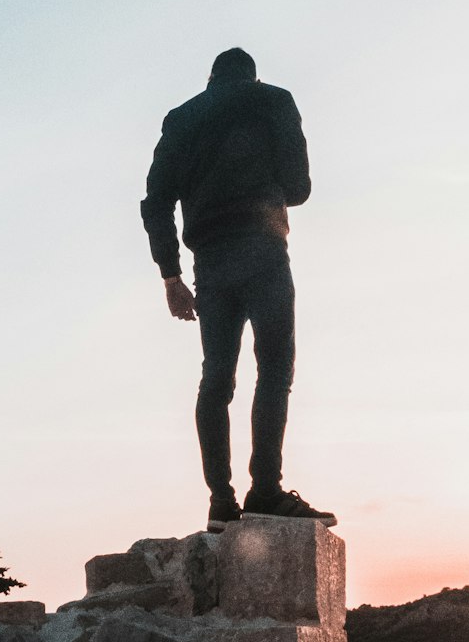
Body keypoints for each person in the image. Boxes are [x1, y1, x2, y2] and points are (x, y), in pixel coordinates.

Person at [141, 47, 336, 532]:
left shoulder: (181, 118)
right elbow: (299, 187)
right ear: (251, 76)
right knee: (273, 369)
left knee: (216, 379)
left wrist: (171, 276)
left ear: (210, 78)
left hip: (209, 262)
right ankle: (265, 492)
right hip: (263, 249)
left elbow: (155, 201)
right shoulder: (273, 101)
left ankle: (221, 504)